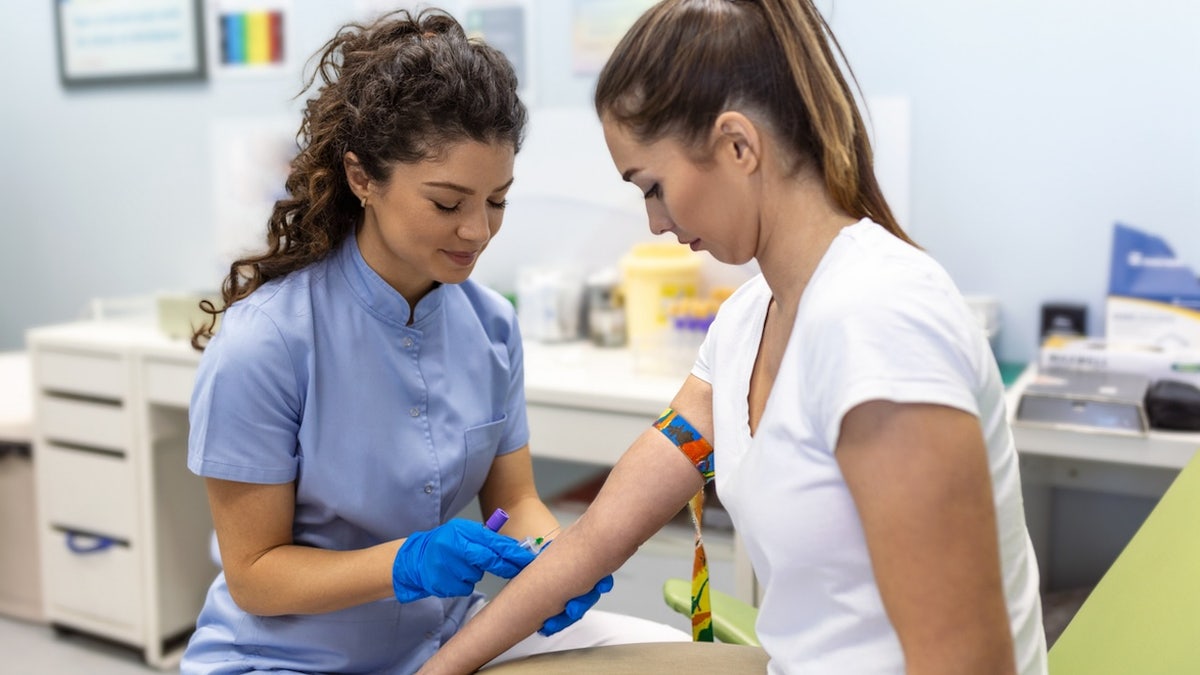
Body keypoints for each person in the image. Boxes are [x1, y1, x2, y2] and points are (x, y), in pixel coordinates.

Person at [417, 1, 1049, 673]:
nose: (655, 222)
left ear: (739, 145)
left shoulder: (879, 323)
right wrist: (444, 667)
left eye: (653, 187)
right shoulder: (748, 323)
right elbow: (597, 537)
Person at [181, 9, 686, 674]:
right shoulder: (266, 343)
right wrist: (408, 561)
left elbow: (517, 499)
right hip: (288, 658)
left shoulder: (491, 326)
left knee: (667, 655)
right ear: (363, 179)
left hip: (445, 642)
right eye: (448, 204)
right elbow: (254, 574)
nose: (477, 231)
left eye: (497, 201)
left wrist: (554, 560)